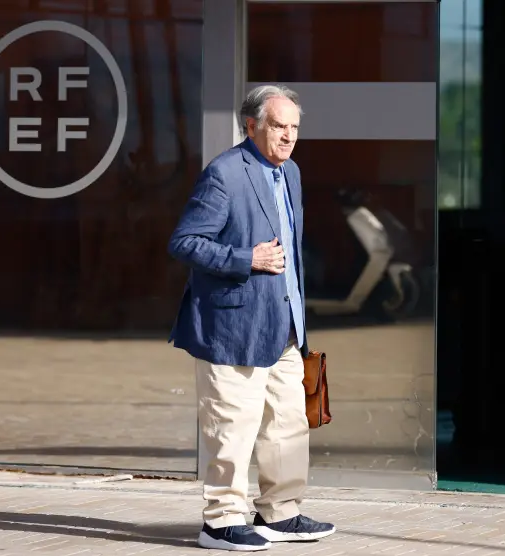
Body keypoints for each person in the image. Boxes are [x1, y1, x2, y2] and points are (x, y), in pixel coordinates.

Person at [168, 84, 336, 552]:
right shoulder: (224, 174)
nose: (288, 136)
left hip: (284, 327)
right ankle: (220, 521)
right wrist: (248, 258)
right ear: (252, 126)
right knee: (232, 427)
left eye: (294, 128)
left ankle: (280, 513)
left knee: (287, 423)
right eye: (278, 126)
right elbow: (185, 242)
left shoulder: (292, 173)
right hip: (231, 328)